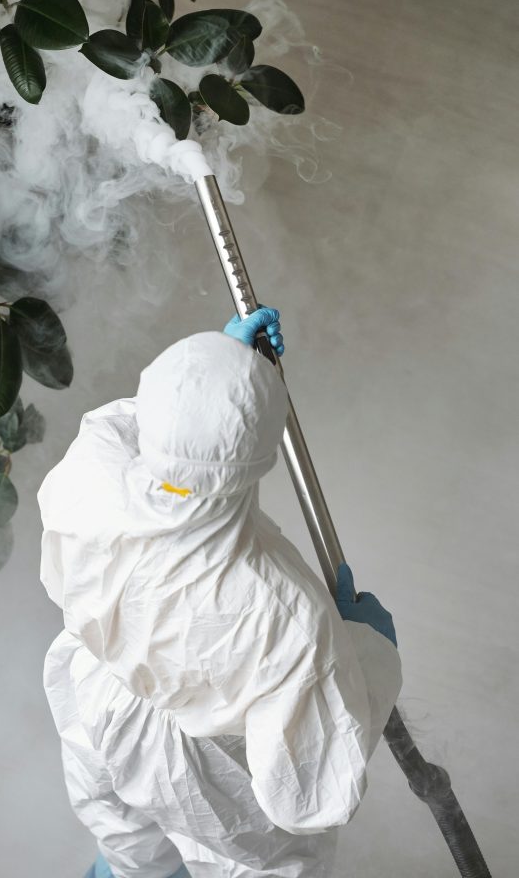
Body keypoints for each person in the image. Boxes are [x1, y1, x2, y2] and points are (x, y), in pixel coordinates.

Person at [39, 308, 402, 878]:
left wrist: (216, 369)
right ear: (263, 458)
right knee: (255, 862)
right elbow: (313, 783)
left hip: (99, 711)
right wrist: (371, 654)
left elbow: (156, 431)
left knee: (125, 840)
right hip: (209, 767)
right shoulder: (284, 615)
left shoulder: (90, 471)